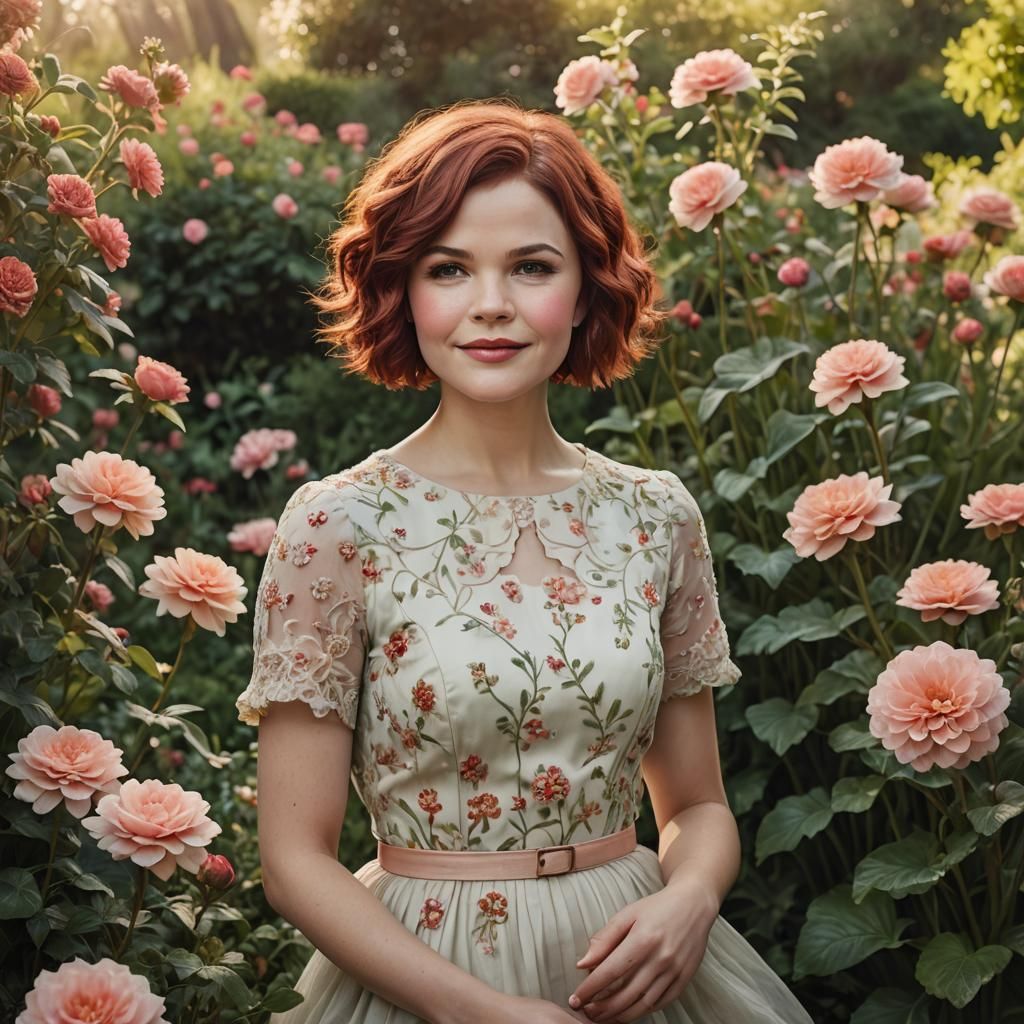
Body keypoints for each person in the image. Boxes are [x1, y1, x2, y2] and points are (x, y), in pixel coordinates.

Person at [235, 98, 814, 1024]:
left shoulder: (655, 516)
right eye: (449, 268)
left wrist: (689, 899)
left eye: (532, 266)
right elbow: (294, 861)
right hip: (425, 975)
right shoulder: (338, 526)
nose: (492, 304)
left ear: (585, 287)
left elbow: (697, 805)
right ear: (403, 289)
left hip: (632, 967)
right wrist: (480, 1013)